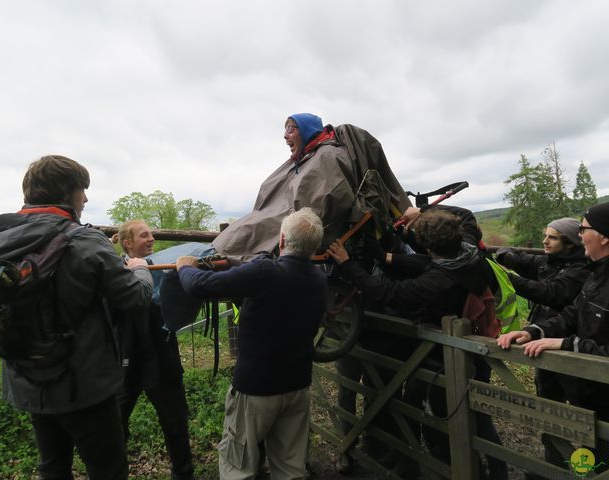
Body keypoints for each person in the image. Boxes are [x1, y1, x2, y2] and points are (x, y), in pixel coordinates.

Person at [0, 155, 154, 479]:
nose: (85, 199)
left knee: (51, 466)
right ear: (67, 193)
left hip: (27, 380)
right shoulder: (86, 241)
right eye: (82, 190)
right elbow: (134, 299)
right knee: (108, 468)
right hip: (85, 385)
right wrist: (141, 272)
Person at [327, 208, 508, 480]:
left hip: (447, 359)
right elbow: (427, 260)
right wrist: (386, 248)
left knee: (447, 421)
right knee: (478, 419)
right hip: (476, 352)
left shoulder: (437, 282)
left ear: (428, 246)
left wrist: (345, 262)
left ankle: (462, 471)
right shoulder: (468, 253)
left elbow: (385, 291)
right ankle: (495, 472)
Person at [176, 208, 328, 480]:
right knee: (291, 469)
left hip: (256, 389)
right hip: (297, 385)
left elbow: (200, 286)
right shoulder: (319, 278)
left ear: (281, 240)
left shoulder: (264, 272)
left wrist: (184, 266)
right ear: (316, 245)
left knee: (238, 467)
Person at [497, 202, 609, 472]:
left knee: (603, 454)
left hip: (603, 394)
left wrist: (566, 343)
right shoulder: (595, 275)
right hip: (591, 391)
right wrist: (534, 330)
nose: (579, 234)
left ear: (604, 236)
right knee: (592, 450)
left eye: (583, 229)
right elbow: (573, 314)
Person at [211, 113, 411, 263]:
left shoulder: (328, 157)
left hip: (295, 230)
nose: (285, 135)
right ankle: (222, 249)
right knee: (244, 229)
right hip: (278, 222)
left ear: (306, 130)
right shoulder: (307, 159)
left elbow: (319, 208)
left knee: (245, 235)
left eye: (291, 128)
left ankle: (223, 252)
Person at [111, 220, 194, 480]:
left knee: (176, 424)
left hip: (162, 357)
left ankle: (184, 474)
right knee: (115, 426)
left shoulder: (166, 269)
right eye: (144, 235)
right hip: (126, 359)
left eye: (152, 235)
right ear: (127, 243)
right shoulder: (114, 271)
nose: (151, 239)